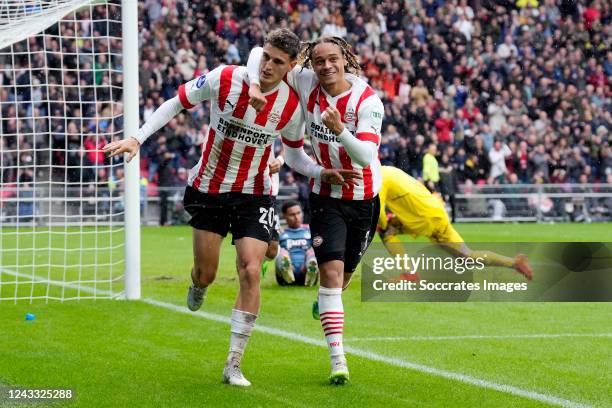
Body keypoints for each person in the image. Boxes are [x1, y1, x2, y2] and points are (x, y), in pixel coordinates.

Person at [104, 29, 356, 387]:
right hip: (208, 188)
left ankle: (233, 364)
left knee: (250, 270)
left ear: (290, 67)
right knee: (205, 273)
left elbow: (296, 153)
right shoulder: (226, 78)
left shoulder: (291, 107)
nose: (269, 65)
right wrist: (137, 137)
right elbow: (177, 102)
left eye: (278, 62)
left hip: (252, 194)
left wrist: (316, 170)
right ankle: (199, 283)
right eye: (266, 57)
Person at [247, 35, 384, 384]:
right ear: (310, 63)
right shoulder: (305, 83)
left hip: (365, 198)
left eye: (332, 59)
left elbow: (365, 157)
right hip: (325, 196)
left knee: (347, 274)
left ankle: (326, 303)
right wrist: (253, 84)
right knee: (331, 276)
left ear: (345, 59)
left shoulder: (368, 101)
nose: (325, 66)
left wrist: (340, 131)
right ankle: (338, 360)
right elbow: (256, 55)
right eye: (318, 60)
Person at [377, 166, 533, 280]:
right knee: (468, 257)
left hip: (427, 219)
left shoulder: (378, 179)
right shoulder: (387, 170)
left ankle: (409, 273)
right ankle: (514, 263)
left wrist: (382, 222)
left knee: (384, 230)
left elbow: (379, 214)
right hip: (434, 211)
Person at [275, 200, 319, 286]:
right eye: (292, 215)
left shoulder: (310, 230)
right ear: (284, 216)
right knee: (282, 252)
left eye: (299, 213)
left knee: (312, 251)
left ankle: (311, 269)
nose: (296, 217)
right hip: (286, 276)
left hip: (305, 271)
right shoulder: (280, 232)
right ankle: (286, 268)